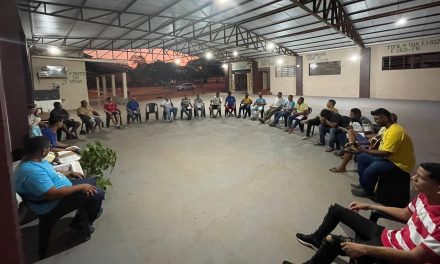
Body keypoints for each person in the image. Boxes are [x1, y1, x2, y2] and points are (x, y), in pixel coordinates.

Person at [283, 163, 440, 264]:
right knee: (337, 210)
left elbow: (414, 257)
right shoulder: (424, 196)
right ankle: (315, 239)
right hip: (388, 235)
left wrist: (365, 249)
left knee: (332, 241)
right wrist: (369, 206)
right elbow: (406, 213)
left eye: (420, 177)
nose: (413, 178)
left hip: (394, 254)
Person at [14, 136, 104, 257]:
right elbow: (52, 194)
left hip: (60, 190)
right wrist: (81, 187)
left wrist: (70, 173)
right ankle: (80, 224)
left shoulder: (35, 160)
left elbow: (51, 172)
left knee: (92, 181)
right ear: (43, 151)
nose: (50, 149)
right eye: (48, 147)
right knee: (98, 193)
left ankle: (86, 213)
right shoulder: (32, 172)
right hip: (53, 202)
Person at [351, 108, 415, 197]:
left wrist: (362, 149)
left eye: (377, 119)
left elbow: (385, 153)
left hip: (399, 163)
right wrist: (360, 145)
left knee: (371, 169)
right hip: (389, 158)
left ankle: (367, 192)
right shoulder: (386, 129)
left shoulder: (395, 131)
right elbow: (379, 144)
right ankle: (364, 184)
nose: (376, 121)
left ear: (385, 118)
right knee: (362, 158)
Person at [330, 113, 397, 173]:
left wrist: (367, 137)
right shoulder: (385, 127)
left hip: (373, 145)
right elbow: (377, 135)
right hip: (371, 140)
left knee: (348, 149)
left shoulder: (393, 131)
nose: (379, 121)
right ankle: (352, 143)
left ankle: (342, 167)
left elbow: (379, 140)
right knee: (350, 131)